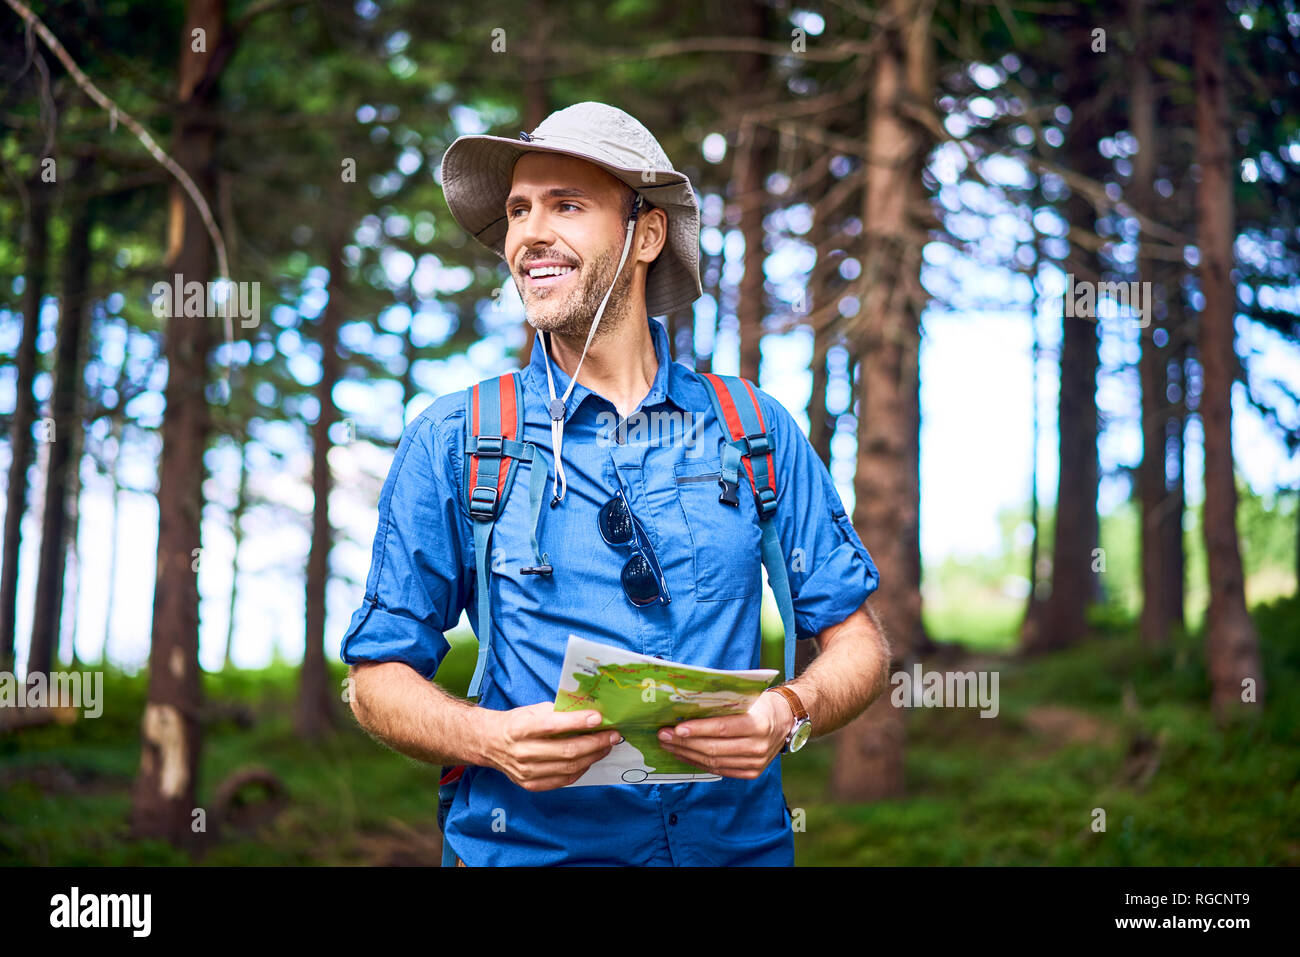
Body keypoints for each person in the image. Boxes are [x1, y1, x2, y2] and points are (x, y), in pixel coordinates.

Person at [340, 101, 891, 866]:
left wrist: (786, 710)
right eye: (518, 210)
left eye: (566, 204)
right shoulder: (457, 439)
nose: (530, 233)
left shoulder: (752, 428)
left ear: (647, 233)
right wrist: (489, 738)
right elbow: (377, 677)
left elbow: (857, 641)